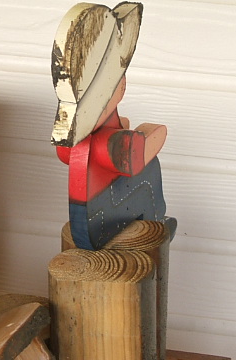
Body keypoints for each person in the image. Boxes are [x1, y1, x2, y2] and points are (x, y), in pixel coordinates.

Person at [51, 2, 175, 250]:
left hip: (95, 211)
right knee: (150, 170)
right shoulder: (109, 144)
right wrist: (154, 133)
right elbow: (135, 155)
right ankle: (158, 218)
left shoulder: (72, 144)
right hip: (106, 213)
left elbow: (65, 154)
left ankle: (157, 220)